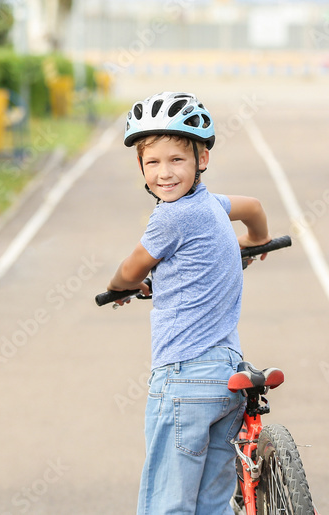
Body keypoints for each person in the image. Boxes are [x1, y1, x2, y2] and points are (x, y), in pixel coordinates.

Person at [106, 91, 273, 514]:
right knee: (211, 505)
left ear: (202, 158)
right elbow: (253, 208)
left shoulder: (170, 217)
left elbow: (130, 269)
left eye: (176, 160)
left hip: (184, 380)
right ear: (142, 168)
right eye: (153, 162)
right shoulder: (213, 204)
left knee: (167, 505)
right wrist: (255, 241)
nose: (164, 173)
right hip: (226, 378)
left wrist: (124, 285)